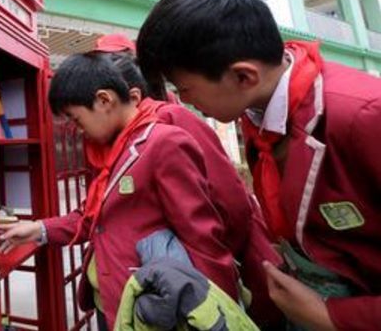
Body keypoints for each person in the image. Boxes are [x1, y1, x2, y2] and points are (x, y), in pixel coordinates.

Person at [135, 0, 381, 331]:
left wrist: (332, 316)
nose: (185, 100)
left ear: (243, 75)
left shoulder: (364, 116)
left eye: (184, 88)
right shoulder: (258, 113)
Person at [4, 52, 239, 330]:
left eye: (77, 120)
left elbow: (202, 238)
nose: (78, 131)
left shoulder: (163, 142)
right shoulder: (113, 149)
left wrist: (220, 316)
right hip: (112, 302)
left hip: (153, 308)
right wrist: (39, 229)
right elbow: (95, 218)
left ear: (104, 100)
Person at [93, 35, 283, 326]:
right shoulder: (115, 136)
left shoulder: (171, 121)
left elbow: (230, 205)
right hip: (129, 291)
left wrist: (208, 265)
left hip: (179, 289)